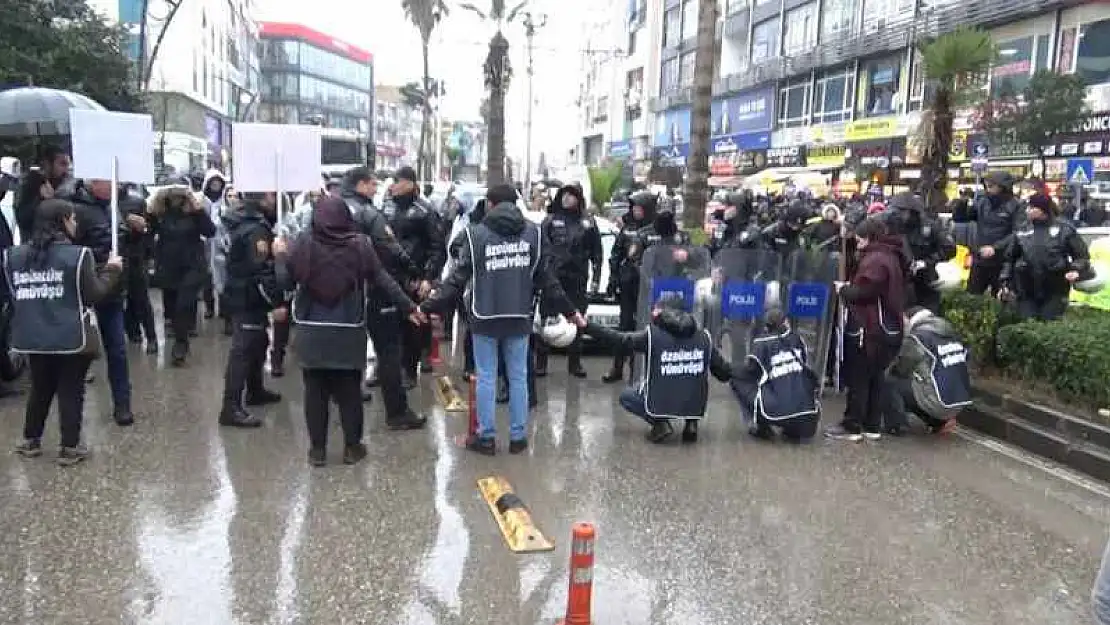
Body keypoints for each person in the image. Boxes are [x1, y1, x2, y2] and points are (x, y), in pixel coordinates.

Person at [421, 185, 579, 455]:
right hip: (519, 316)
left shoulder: (475, 235)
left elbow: (456, 281)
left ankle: (486, 437)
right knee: (518, 377)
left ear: (491, 205)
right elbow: (547, 280)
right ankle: (518, 438)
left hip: (485, 316)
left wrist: (427, 306)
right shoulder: (534, 233)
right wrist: (570, 311)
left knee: (486, 377)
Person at [282, 197, 424, 466]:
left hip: (311, 329)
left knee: (315, 391)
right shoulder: (360, 244)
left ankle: (317, 451)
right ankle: (352, 447)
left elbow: (285, 281)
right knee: (349, 390)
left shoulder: (303, 242)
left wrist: (280, 257)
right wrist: (409, 307)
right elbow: (382, 279)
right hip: (349, 327)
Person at [7, 199, 124, 465]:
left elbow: (17, 296)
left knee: (40, 387)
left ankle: (30, 440)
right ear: (61, 221)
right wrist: (112, 271)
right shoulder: (78, 255)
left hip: (33, 336)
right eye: (72, 218)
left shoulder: (15, 256)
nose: (76, 223)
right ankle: (70, 447)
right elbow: (94, 294)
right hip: (71, 336)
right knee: (71, 389)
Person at [342, 166, 427, 430]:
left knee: (347, 350)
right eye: (372, 184)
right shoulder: (369, 214)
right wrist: (414, 272)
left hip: (339, 291)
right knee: (389, 352)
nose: (377, 189)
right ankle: (397, 412)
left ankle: (349, 399)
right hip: (375, 289)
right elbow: (391, 249)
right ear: (361, 185)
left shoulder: (330, 209)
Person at [584, 295, 732, 443]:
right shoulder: (704, 337)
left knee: (627, 396)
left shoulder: (651, 335)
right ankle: (691, 425)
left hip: (661, 400)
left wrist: (587, 327)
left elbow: (619, 339)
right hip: (692, 403)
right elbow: (724, 373)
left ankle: (660, 423)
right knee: (690, 382)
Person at [826, 216, 908, 442]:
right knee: (876, 377)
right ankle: (872, 425)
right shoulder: (891, 255)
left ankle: (852, 425)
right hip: (889, 328)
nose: (858, 244)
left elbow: (864, 292)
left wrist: (844, 290)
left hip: (871, 329)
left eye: (860, 240)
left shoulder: (875, 261)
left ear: (870, 238)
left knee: (859, 378)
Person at [67, 178, 139, 426]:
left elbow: (122, 244)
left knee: (117, 349)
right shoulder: (76, 209)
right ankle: (73, 414)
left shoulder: (114, 206)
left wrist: (132, 231)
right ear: (93, 183)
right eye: (107, 181)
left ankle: (123, 404)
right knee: (80, 352)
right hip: (86, 289)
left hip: (114, 289)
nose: (114, 185)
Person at [218, 191, 285, 427]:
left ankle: (255, 390)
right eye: (271, 195)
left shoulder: (246, 221)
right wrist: (276, 302)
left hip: (243, 293)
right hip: (247, 296)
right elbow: (261, 271)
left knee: (258, 343)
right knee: (243, 350)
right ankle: (231, 407)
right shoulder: (256, 229)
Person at [382, 167, 445, 387]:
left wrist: (428, 278)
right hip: (388, 275)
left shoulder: (425, 211)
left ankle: (410, 369)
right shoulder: (386, 208)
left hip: (414, 276)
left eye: (398, 181)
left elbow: (438, 247)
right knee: (386, 325)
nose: (393, 185)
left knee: (412, 325)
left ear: (410, 183)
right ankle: (387, 370)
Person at [538, 183, 602, 378]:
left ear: (579, 199)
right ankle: (541, 363)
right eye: (564, 195)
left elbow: (597, 253)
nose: (567, 198)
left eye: (572, 195)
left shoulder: (588, 223)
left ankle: (574, 363)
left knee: (578, 321)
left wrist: (596, 279)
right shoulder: (550, 221)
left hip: (578, 279)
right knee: (547, 319)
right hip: (553, 280)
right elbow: (541, 251)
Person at [147, 186, 217, 365]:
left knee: (183, 305)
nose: (177, 197)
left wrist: (198, 210)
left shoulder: (194, 213)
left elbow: (210, 231)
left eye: (180, 194)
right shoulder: (159, 214)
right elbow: (148, 235)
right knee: (170, 309)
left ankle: (181, 344)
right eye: (173, 194)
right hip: (168, 268)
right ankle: (179, 336)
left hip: (191, 267)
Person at [729, 308, 820, 443]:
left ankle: (761, 427)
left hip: (776, 413)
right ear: (785, 323)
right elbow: (805, 367)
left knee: (737, 380)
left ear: (766, 327)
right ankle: (792, 429)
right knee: (794, 379)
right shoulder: (797, 339)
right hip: (808, 416)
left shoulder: (761, 343)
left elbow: (750, 373)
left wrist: (729, 370)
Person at [999, 192, 1090, 321]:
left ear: (1042, 210)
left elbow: (1082, 256)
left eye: (1032, 207)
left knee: (1048, 323)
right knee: (1028, 325)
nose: (1027, 211)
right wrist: (1005, 283)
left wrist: (1076, 270)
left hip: (1055, 289)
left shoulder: (1064, 229)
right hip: (1026, 290)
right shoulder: (1022, 230)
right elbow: (1010, 258)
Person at [883, 306, 972, 436]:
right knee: (923, 384)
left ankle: (897, 425)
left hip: (938, 403)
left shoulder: (918, 338)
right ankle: (939, 422)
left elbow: (901, 369)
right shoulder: (951, 334)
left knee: (891, 380)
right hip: (959, 401)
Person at [604, 191, 652, 383]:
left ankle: (638, 369)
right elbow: (615, 255)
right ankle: (617, 367)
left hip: (647, 287)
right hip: (627, 284)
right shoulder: (627, 229)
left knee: (643, 328)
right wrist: (613, 280)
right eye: (633, 207)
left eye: (639, 207)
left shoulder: (654, 230)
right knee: (624, 327)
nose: (635, 211)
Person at [886, 192, 956, 313]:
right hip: (902, 281)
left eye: (901, 212)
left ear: (910, 211)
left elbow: (949, 249)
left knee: (927, 317)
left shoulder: (929, 227)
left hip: (925, 281)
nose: (898, 215)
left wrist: (925, 262)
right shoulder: (894, 226)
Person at [967, 171, 1024, 295]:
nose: (988, 189)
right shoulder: (983, 202)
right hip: (980, 258)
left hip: (1003, 261)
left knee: (1001, 300)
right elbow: (968, 220)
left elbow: (1018, 233)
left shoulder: (1015, 205)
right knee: (972, 297)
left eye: (991, 186)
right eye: (986, 186)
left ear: (1002, 187)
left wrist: (996, 248)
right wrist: (965, 206)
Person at [120, 185, 158, 354]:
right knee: (118, 300)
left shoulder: (136, 201)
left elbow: (149, 229)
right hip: (112, 256)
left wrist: (141, 229)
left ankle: (151, 337)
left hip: (134, 256)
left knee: (141, 299)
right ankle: (132, 330)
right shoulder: (102, 205)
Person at [15, 147, 71, 242]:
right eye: (62, 164)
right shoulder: (32, 185)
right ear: (48, 164)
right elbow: (23, 219)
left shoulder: (66, 187)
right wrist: (41, 199)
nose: (66, 170)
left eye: (67, 165)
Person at [200, 170, 229, 319]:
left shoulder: (226, 201)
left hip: (221, 244)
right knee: (207, 277)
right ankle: (209, 307)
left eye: (218, 182)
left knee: (222, 277)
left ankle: (224, 308)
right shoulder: (202, 201)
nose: (216, 185)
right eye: (213, 182)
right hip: (205, 243)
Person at [708, 191, 760, 256]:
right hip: (722, 264)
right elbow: (711, 249)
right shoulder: (722, 228)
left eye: (729, 205)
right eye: (725, 205)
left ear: (741, 208)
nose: (725, 208)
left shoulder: (752, 231)